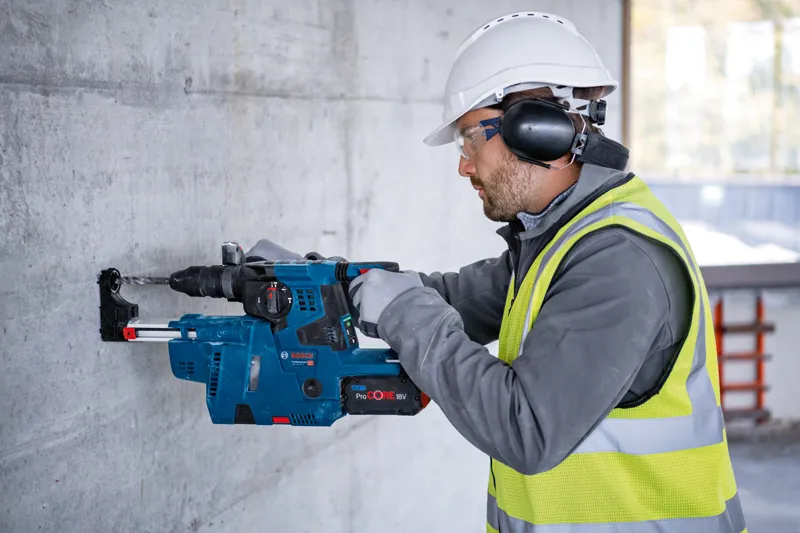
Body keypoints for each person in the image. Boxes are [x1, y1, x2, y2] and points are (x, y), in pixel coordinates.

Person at [248, 11, 746, 533]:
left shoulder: (618, 261)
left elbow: (525, 428)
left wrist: (404, 312)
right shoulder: (560, 241)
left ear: (533, 130)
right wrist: (320, 281)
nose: (465, 166)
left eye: (469, 141)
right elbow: (447, 298)